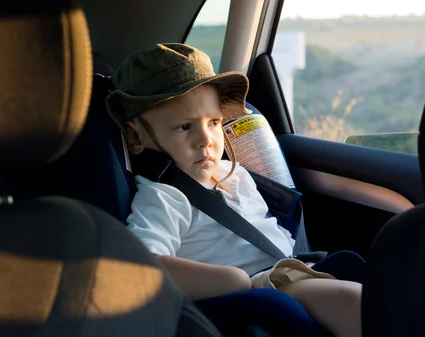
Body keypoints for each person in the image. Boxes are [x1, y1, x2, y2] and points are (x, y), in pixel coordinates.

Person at [105, 43, 361, 337]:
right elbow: (140, 266)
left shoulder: (236, 174)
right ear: (136, 138)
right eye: (184, 127)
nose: (206, 140)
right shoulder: (163, 197)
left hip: (294, 268)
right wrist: (230, 280)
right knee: (354, 303)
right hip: (263, 288)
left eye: (213, 122)